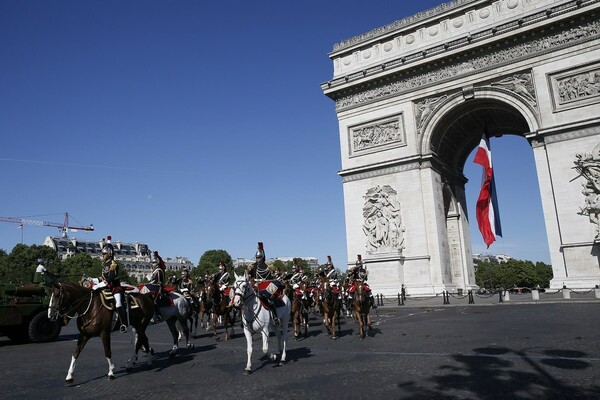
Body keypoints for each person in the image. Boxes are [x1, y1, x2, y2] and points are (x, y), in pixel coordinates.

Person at [248, 242, 283, 326]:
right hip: (255, 285)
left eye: (259, 257)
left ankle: (275, 317)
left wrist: (263, 281)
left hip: (264, 286)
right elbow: (250, 276)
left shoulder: (267, 267)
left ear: (262, 257)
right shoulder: (253, 266)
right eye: (256, 257)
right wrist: (251, 280)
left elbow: (270, 279)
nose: (257, 259)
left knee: (269, 300)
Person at [101, 236, 128, 333]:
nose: (103, 255)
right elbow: (103, 277)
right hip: (106, 287)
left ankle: (123, 324)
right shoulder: (104, 264)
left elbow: (111, 277)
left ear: (109, 254)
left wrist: (101, 283)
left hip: (115, 287)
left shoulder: (113, 263)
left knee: (118, 303)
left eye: (104, 253)